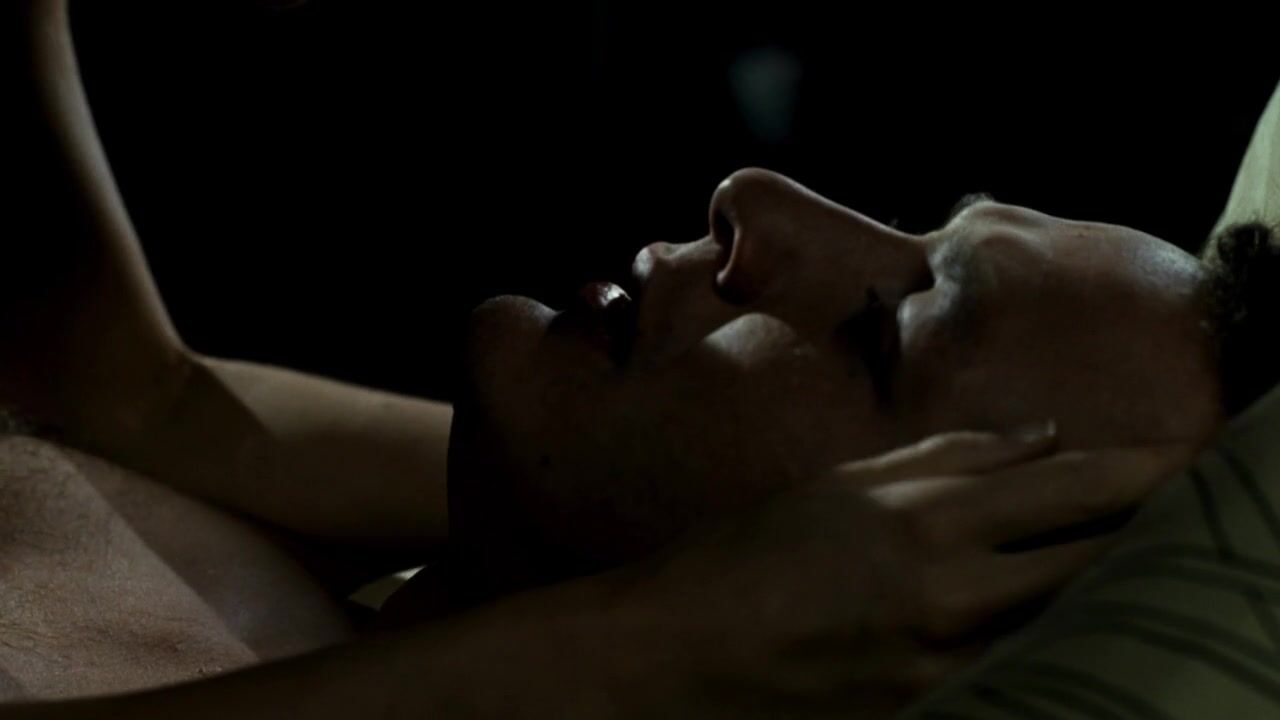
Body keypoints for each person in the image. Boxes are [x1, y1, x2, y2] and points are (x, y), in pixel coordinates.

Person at [1, 0, 1264, 717]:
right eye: (915, 225)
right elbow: (117, 387)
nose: (754, 200)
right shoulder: (504, 538)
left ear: (868, 598)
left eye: (876, 336)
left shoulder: (636, 607)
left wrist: (650, 639)